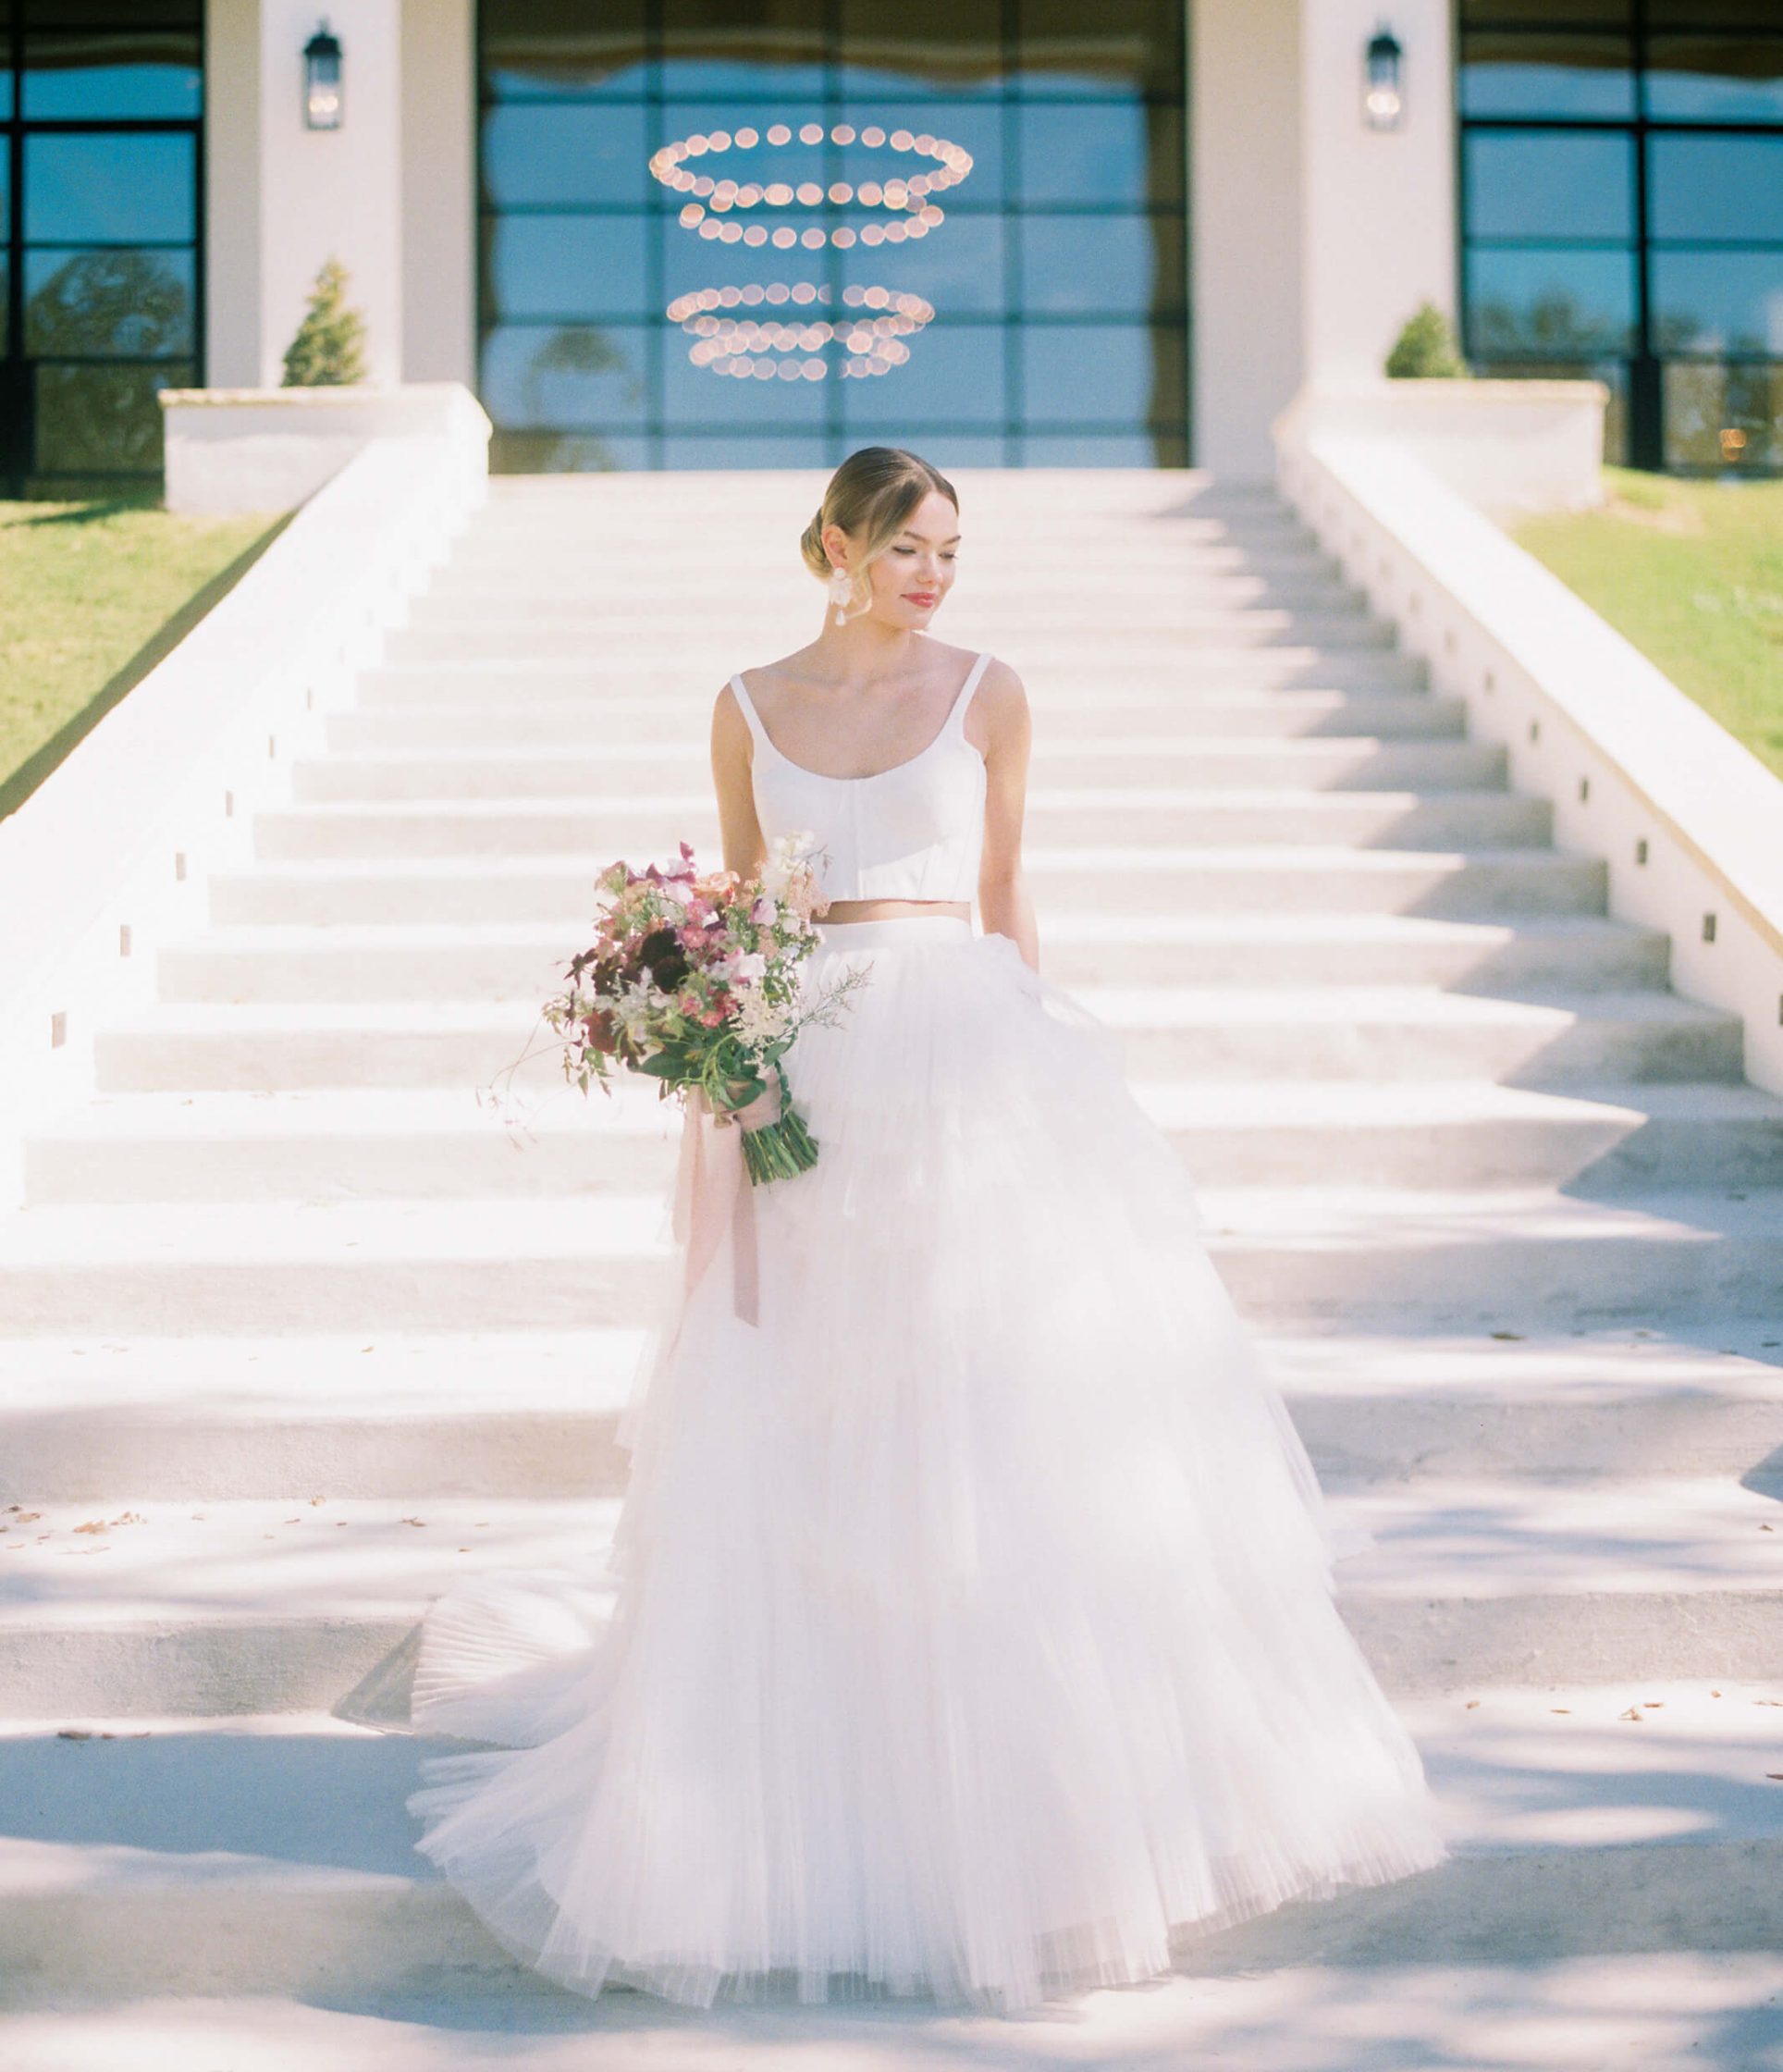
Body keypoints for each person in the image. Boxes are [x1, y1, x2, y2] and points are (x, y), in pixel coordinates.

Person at [406, 445, 1449, 2014]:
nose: (937, 574)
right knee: (811, 1405)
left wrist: (1044, 1069)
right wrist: (718, 1049)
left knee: (990, 1413)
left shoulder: (992, 692)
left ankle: (1026, 1799)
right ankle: (810, 1775)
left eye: (954, 550)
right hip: (809, 1055)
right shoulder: (747, 702)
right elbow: (747, 906)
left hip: (969, 1060)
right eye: (910, 547)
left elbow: (1009, 888)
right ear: (836, 542)